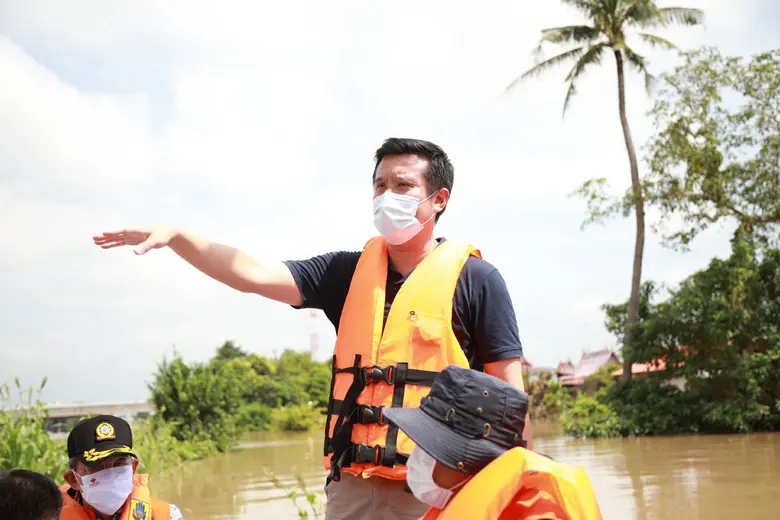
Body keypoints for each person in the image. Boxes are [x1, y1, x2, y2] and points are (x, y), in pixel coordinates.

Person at [93, 137, 532, 520]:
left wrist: (523, 485)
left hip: (437, 484)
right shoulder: (346, 272)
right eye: (379, 186)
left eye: (402, 186)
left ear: (439, 199)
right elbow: (252, 273)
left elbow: (511, 396)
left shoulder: (477, 280)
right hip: (352, 488)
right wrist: (177, 236)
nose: (386, 196)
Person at [383, 365, 603, 520]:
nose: (415, 457)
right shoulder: (466, 502)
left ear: (467, 461)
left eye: (428, 446)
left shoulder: (539, 515)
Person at [59, 414, 184, 520]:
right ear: (73, 479)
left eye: (119, 462)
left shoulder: (167, 516)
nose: (110, 473)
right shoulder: (48, 516)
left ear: (133, 468)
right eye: (96, 465)